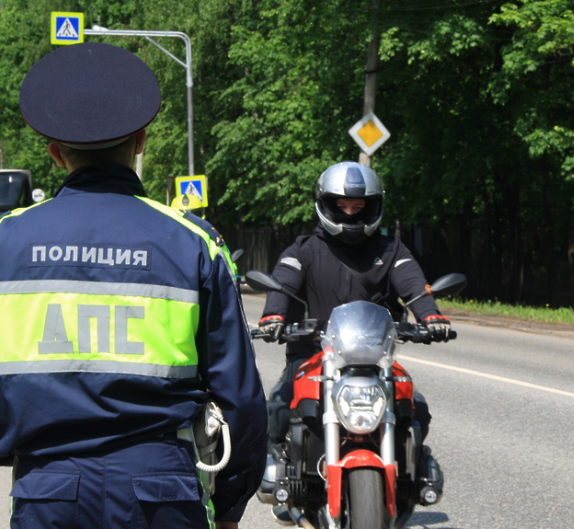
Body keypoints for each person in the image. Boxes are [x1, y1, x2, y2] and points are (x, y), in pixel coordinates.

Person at [0, 42, 267, 529]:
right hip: (163, 491)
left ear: (55, 153)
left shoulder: (7, 241)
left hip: (47, 490)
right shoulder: (194, 243)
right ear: (141, 141)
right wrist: (230, 505)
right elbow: (242, 398)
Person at [258, 161, 451, 522]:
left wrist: (431, 316)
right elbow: (282, 284)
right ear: (324, 204)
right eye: (341, 206)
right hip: (314, 356)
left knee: (415, 405)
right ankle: (281, 477)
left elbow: (413, 284)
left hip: (373, 359)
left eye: (358, 207)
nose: (349, 212)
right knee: (280, 406)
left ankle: (412, 474)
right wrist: (274, 317)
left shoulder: (392, 250)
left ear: (373, 206)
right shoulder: (302, 250)